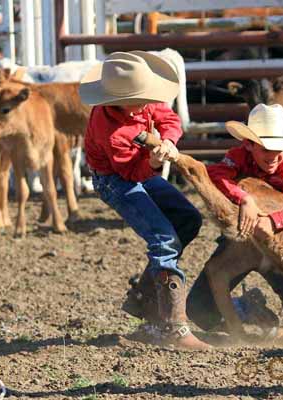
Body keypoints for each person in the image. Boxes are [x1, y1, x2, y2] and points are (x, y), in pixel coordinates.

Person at [79, 51, 209, 350]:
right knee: (163, 239)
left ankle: (144, 299)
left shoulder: (140, 102)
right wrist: (153, 162)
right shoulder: (111, 131)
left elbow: (169, 118)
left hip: (136, 169)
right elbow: (131, 173)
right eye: (138, 98)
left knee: (188, 219)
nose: (145, 103)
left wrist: (168, 141)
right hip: (115, 181)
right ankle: (172, 327)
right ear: (116, 98)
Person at [186, 103, 283, 333]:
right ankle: (246, 309)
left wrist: (274, 220)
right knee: (198, 309)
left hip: (274, 246)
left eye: (279, 150)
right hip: (239, 241)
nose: (273, 157)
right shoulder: (237, 156)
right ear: (249, 145)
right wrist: (244, 198)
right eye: (266, 149)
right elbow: (216, 176)